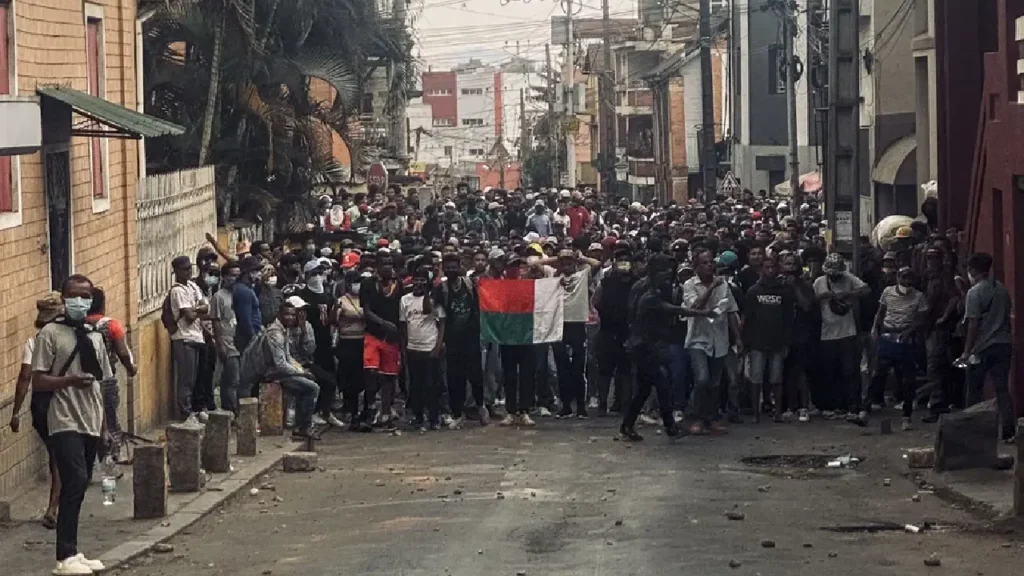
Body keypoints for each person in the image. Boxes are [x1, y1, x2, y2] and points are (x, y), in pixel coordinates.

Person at [32, 274, 112, 576]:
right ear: (64, 298)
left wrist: (104, 428)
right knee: (74, 479)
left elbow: (100, 385)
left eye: (86, 295)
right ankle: (63, 556)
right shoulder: (50, 334)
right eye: (75, 295)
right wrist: (68, 381)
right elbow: (38, 379)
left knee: (82, 483)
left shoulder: (93, 335)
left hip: (90, 418)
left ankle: (74, 551)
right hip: (63, 418)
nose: (81, 301)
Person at [621, 254, 709, 441]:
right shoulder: (648, 292)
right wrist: (701, 312)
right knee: (661, 383)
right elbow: (672, 310)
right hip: (643, 346)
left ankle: (628, 425)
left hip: (647, 345)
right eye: (664, 271)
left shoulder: (654, 288)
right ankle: (669, 427)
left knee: (646, 388)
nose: (668, 275)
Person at [9, 292, 65, 530]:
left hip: (41, 405)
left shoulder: (33, 341)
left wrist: (15, 412)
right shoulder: (67, 339)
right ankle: (54, 507)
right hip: (64, 403)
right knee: (59, 457)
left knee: (56, 454)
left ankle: (55, 506)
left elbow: (24, 378)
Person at [239, 297, 321, 440]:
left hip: (279, 370)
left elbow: (288, 356)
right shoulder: (275, 334)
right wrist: (302, 373)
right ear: (280, 315)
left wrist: (301, 370)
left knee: (309, 382)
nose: (290, 317)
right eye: (287, 314)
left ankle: (301, 424)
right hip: (271, 373)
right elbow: (281, 364)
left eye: (293, 314)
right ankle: (303, 427)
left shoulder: (285, 329)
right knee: (312, 388)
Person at [683, 248, 740, 435]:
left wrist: (737, 337)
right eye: (705, 263)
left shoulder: (725, 286)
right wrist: (712, 288)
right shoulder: (690, 285)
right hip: (698, 338)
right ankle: (696, 417)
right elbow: (695, 306)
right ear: (696, 266)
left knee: (715, 383)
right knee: (702, 379)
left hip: (720, 339)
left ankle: (711, 418)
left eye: (711, 263)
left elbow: (731, 311)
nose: (709, 266)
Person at [960, 253, 1015, 442]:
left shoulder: (974, 293)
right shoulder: (1002, 290)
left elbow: (973, 324)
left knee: (974, 389)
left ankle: (972, 428)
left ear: (973, 270)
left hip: (982, 347)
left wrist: (967, 351)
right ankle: (1008, 431)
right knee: (1002, 389)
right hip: (1004, 344)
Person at [868, 267, 928, 430]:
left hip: (906, 338)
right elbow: (880, 312)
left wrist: (909, 331)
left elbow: (921, 319)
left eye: (909, 279)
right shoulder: (888, 292)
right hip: (888, 335)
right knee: (878, 372)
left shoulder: (918, 297)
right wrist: (875, 328)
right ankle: (866, 408)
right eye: (903, 278)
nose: (906, 282)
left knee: (908, 379)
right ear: (897, 278)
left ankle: (906, 416)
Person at [813, 253, 870, 423]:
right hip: (827, 332)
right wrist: (825, 296)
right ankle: (834, 405)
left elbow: (866, 289)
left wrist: (847, 294)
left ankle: (853, 405)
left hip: (848, 331)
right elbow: (812, 301)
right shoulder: (819, 282)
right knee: (831, 371)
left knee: (850, 370)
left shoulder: (848, 278)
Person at [742, 255, 798, 423]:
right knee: (756, 379)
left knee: (776, 379)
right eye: (767, 268)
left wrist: (787, 341)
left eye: (773, 267)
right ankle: (756, 414)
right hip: (757, 342)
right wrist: (745, 342)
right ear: (761, 270)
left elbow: (789, 318)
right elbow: (748, 317)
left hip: (778, 342)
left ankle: (778, 412)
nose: (770, 271)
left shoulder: (785, 292)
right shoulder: (754, 291)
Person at [435, 253, 487, 427]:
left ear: (459, 267)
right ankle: (457, 413)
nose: (451, 270)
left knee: (476, 375)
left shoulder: (471, 285)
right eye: (447, 267)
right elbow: (435, 313)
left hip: (471, 337)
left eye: (454, 266)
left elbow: (481, 306)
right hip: (452, 340)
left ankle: (480, 407)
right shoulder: (440, 289)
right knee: (454, 377)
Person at [84, 288, 137, 460]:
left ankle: (93, 458)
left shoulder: (79, 326)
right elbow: (122, 352)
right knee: (110, 418)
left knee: (90, 420)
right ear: (102, 304)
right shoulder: (112, 325)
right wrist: (130, 368)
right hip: (107, 378)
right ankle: (113, 455)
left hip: (84, 380)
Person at [360, 248, 403, 430]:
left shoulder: (398, 285)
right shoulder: (368, 284)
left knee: (389, 376)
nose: (387, 267)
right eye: (384, 264)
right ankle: (369, 408)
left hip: (392, 338)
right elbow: (366, 311)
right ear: (376, 266)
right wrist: (384, 323)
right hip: (373, 334)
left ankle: (386, 412)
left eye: (390, 264)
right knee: (371, 372)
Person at [300, 260, 344, 428]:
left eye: (320, 273)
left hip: (325, 342)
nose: (317, 277)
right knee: (316, 378)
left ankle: (326, 411)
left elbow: (332, 321)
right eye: (314, 274)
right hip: (309, 343)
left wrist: (335, 311)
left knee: (331, 377)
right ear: (306, 276)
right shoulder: (304, 296)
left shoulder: (326, 294)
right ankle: (314, 411)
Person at [400, 267, 446, 429]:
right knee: (415, 384)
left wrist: (438, 346)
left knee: (432, 385)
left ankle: (434, 418)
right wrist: (405, 346)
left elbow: (441, 324)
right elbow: (404, 324)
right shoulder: (405, 300)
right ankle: (418, 416)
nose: (418, 283)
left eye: (422, 280)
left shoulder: (434, 300)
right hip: (413, 347)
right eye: (416, 279)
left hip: (430, 346)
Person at [168, 256, 209, 421]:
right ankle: (185, 413)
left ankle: (193, 409)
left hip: (197, 337)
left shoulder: (193, 286)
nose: (188, 272)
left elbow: (205, 308)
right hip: (183, 338)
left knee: (196, 378)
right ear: (176, 271)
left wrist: (196, 309)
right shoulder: (177, 291)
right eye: (184, 269)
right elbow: (190, 316)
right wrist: (198, 309)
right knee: (186, 379)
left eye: (189, 269)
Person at [335, 270, 367, 431]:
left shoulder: (366, 299)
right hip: (347, 343)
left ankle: (361, 410)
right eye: (355, 281)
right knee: (349, 377)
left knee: (363, 376)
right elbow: (334, 321)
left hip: (363, 341)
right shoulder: (341, 301)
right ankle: (350, 408)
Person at [210, 261, 243, 414]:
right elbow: (216, 321)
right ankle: (231, 410)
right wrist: (220, 344)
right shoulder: (219, 297)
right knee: (232, 379)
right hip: (227, 343)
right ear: (224, 277)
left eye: (237, 275)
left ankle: (229, 410)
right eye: (232, 275)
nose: (235, 279)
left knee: (235, 380)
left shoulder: (240, 293)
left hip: (239, 342)